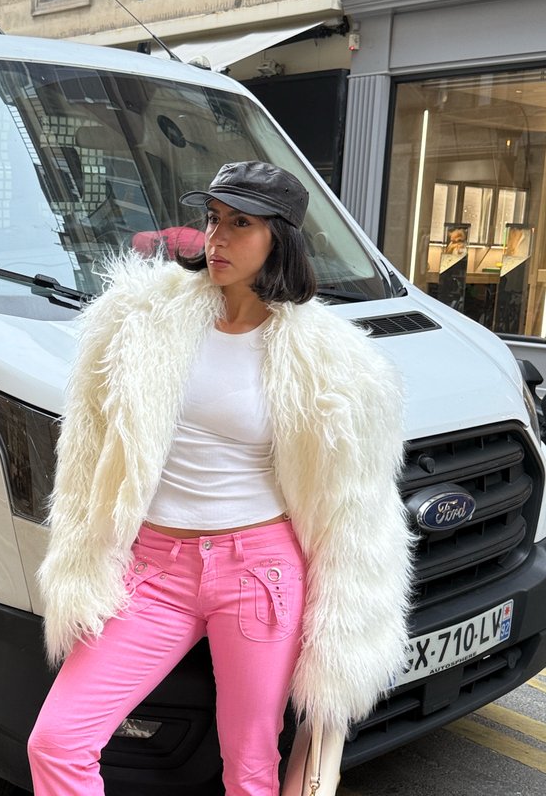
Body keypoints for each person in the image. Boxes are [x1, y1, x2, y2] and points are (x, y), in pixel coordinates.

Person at [28, 161, 413, 796]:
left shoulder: (330, 360)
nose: (218, 237)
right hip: (152, 569)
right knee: (59, 741)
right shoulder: (142, 322)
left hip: (258, 571)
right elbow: (92, 444)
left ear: (280, 238)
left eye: (241, 223)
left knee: (251, 767)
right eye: (212, 220)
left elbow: (356, 509)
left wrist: (347, 630)